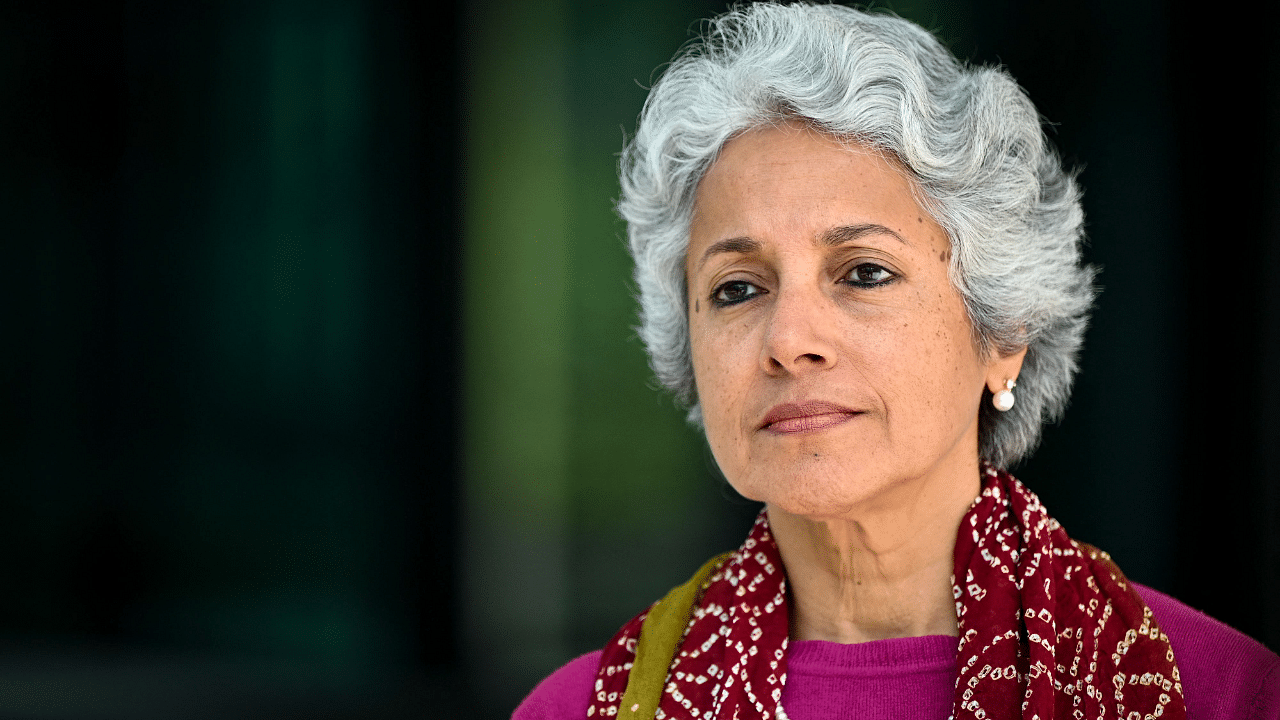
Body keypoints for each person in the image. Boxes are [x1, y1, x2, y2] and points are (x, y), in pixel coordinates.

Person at [514, 4, 1280, 719]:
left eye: (863, 273)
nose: (788, 339)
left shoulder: (1224, 692)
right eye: (738, 288)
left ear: (1002, 330)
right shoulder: (585, 707)